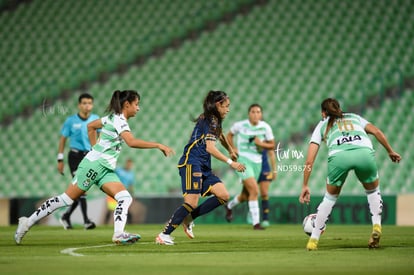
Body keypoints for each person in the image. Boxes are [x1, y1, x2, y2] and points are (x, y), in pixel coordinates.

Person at [15, 90, 174, 245]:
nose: (138, 108)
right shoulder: (119, 121)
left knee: (125, 198)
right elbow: (131, 142)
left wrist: (94, 147)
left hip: (105, 169)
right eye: (136, 104)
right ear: (127, 104)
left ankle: (118, 234)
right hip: (94, 165)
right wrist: (158, 145)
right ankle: (27, 222)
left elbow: (91, 126)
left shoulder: (111, 117)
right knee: (67, 199)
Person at [299, 98, 401, 250]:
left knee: (330, 198)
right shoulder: (355, 117)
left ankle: (313, 240)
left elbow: (309, 161)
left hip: (339, 157)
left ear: (323, 113)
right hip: (364, 153)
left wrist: (305, 185)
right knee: (373, 191)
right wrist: (390, 151)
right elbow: (377, 132)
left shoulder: (322, 124)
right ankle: (376, 226)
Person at [155, 90, 246, 245]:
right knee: (191, 202)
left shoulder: (213, 119)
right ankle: (164, 235)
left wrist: (230, 149)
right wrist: (232, 163)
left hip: (204, 166)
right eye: (226, 106)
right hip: (192, 162)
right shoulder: (211, 120)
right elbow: (210, 148)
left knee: (223, 195)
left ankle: (189, 218)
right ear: (218, 105)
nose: (228, 109)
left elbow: (221, 135)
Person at [225, 104, 275, 229]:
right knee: (255, 190)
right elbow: (229, 135)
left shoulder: (265, 127)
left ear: (261, 114)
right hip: (243, 160)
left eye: (258, 112)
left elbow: (272, 145)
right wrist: (232, 149)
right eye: (253, 112)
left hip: (258, 163)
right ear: (249, 114)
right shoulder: (240, 125)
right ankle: (256, 223)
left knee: (245, 195)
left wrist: (261, 143)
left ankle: (229, 206)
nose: (255, 114)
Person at [57, 93, 98, 230]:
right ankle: (86, 221)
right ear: (79, 105)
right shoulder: (71, 121)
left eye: (90, 103)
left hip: (89, 156)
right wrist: (60, 158)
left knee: (79, 191)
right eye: (84, 103)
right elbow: (63, 139)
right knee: (82, 188)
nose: (87, 105)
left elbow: (102, 136)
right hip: (74, 157)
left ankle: (66, 216)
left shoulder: (96, 119)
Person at [105, 158, 135, 224]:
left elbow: (131, 185)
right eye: (128, 164)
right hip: (114, 191)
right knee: (110, 209)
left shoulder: (131, 174)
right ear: (126, 164)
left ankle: (131, 224)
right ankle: (105, 224)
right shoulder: (119, 170)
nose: (129, 165)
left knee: (126, 209)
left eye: (130, 164)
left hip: (124, 193)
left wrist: (132, 194)